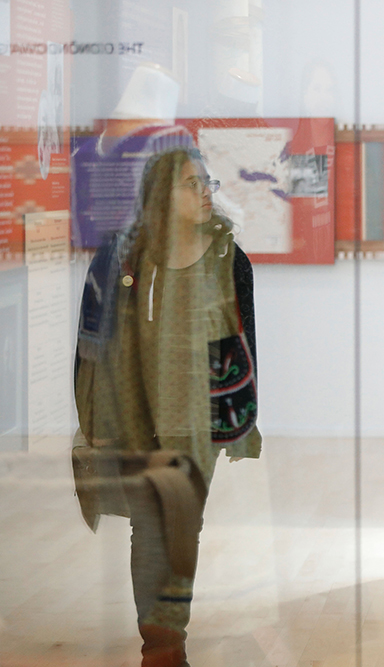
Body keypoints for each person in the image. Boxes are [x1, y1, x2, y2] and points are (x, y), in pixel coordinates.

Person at [73, 147, 261, 667]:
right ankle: (159, 644)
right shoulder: (119, 258)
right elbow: (92, 345)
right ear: (160, 193)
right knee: (148, 525)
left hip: (196, 418)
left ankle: (164, 638)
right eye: (190, 182)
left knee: (179, 525)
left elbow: (241, 346)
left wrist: (240, 422)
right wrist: (95, 422)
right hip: (134, 412)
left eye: (208, 182)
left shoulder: (229, 258)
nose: (205, 192)